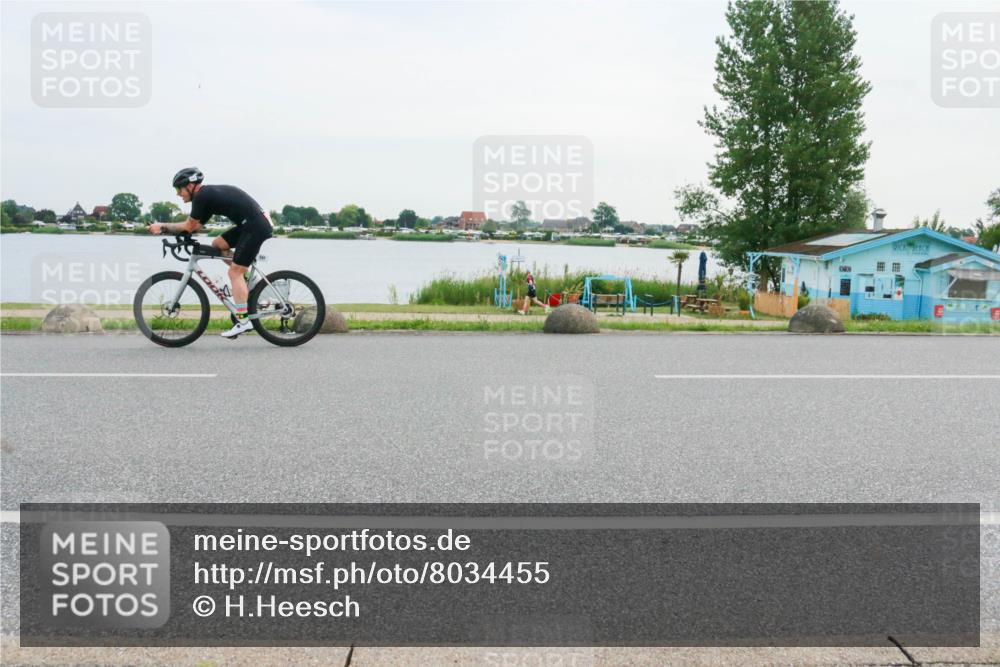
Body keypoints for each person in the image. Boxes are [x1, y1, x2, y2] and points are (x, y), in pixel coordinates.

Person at [149, 168, 273, 338]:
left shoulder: (202, 196)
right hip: (251, 224)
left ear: (191, 186)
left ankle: (243, 321)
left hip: (254, 226)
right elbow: (195, 227)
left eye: (179, 189)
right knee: (218, 244)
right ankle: (251, 281)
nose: (178, 194)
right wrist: (174, 233)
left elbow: (189, 226)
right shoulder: (206, 198)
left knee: (234, 272)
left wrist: (162, 226)